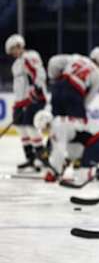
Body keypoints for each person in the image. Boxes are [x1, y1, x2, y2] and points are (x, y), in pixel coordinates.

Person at [33, 110, 99, 183]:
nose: (46, 132)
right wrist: (64, 164)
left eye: (45, 129)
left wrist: (53, 171)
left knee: (81, 172)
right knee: (77, 166)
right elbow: (72, 147)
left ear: (48, 124)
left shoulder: (58, 127)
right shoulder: (59, 122)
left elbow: (59, 151)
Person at [5, 34, 48, 172]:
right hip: (20, 101)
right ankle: (31, 159)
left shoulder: (29, 56)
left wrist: (37, 89)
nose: (12, 52)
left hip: (33, 99)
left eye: (13, 48)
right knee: (21, 128)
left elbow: (39, 73)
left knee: (31, 128)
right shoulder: (16, 64)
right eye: (11, 50)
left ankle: (43, 158)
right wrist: (18, 103)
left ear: (19, 45)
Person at [47, 54, 99, 119]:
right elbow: (90, 97)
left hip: (58, 87)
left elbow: (53, 61)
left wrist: (54, 78)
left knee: (55, 123)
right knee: (79, 125)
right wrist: (80, 108)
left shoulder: (77, 57)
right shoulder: (98, 74)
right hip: (74, 93)